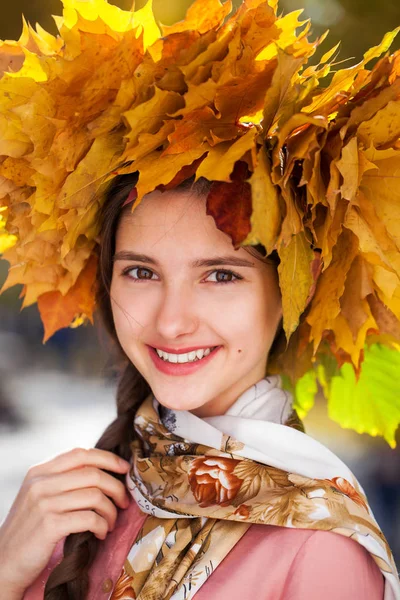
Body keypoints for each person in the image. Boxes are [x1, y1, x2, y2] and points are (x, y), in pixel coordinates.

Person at [0, 0, 400, 598]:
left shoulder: (321, 548)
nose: (171, 320)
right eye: (141, 272)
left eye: (220, 276)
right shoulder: (64, 512)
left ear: (296, 285)